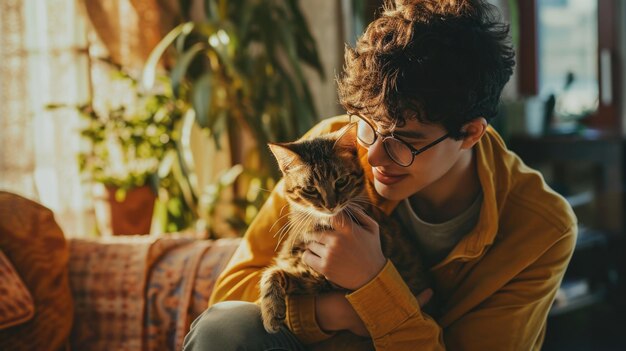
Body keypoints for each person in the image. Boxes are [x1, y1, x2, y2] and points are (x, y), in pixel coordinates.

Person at [183, 0, 577, 350]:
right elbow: (230, 292)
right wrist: (334, 313)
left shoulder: (542, 229)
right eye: (368, 125)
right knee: (228, 326)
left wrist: (375, 288)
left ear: (470, 132)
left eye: (404, 139)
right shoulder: (333, 147)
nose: (371, 155)